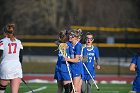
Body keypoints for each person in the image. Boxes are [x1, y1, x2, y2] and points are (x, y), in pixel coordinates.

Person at [0, 23, 23, 93]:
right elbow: (21, 57)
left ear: (4, 33)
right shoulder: (19, 42)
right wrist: (20, 67)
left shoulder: (2, 42)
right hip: (17, 67)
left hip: (6, 67)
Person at [65, 29, 83, 93]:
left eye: (72, 36)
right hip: (71, 67)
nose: (70, 36)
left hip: (77, 68)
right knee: (77, 90)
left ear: (75, 37)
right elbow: (61, 44)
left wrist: (68, 59)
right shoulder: (69, 43)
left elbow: (76, 60)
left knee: (75, 89)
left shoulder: (79, 46)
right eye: (70, 35)